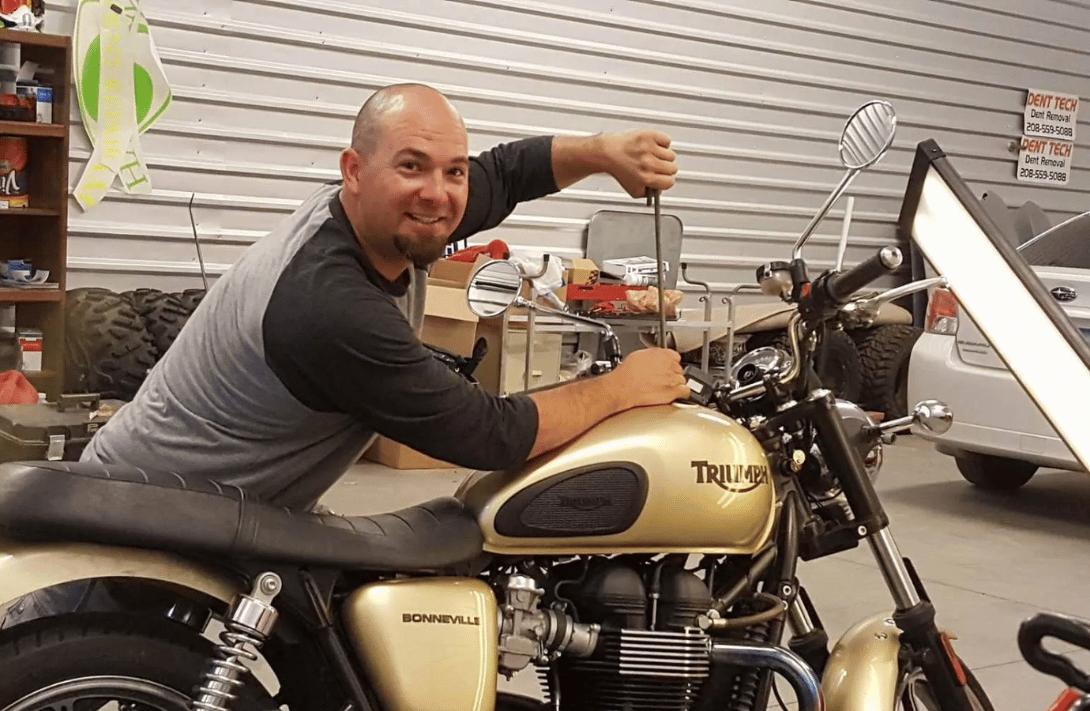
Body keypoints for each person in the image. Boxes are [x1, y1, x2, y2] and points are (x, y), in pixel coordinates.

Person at [79, 82, 690, 512]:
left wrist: (604, 150)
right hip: (142, 514)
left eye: (452, 170)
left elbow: (504, 173)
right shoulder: (331, 305)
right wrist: (620, 388)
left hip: (228, 503)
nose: (440, 192)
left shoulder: (401, 217)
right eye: (412, 166)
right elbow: (486, 433)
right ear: (354, 170)